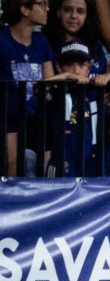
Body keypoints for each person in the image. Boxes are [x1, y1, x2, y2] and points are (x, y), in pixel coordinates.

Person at [44, 41, 110, 176]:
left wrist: (107, 76)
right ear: (59, 68)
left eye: (81, 65)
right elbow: (39, 87)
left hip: (92, 165)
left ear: (88, 68)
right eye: (69, 65)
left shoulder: (94, 89)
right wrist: (66, 77)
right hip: (63, 165)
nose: (76, 71)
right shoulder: (55, 91)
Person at [0, 0, 55, 176]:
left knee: (44, 169)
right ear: (25, 9)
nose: (47, 8)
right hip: (9, 117)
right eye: (41, 4)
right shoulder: (2, 39)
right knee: (13, 166)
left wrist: (46, 92)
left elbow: (49, 79)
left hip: (37, 116)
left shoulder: (41, 40)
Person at [44, 0, 109, 76]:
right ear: (58, 12)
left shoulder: (96, 48)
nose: (73, 16)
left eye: (80, 11)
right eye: (67, 10)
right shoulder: (44, 43)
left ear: (87, 15)